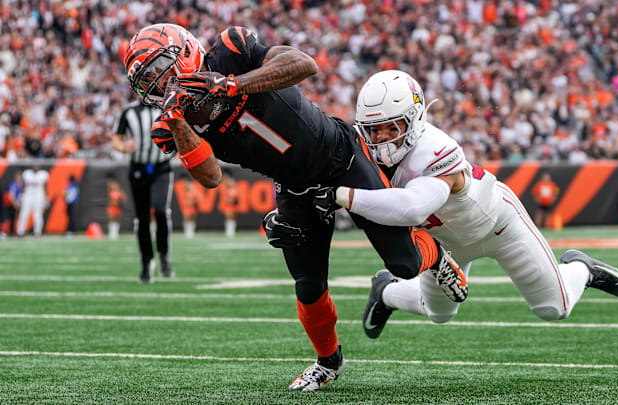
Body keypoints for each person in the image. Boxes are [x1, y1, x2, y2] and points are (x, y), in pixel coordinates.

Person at [123, 23, 467, 391]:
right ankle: (328, 361)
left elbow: (303, 64)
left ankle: (437, 259)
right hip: (294, 188)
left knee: (406, 263)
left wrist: (230, 84)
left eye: (160, 71)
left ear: (184, 52)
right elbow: (211, 178)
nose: (159, 87)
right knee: (307, 284)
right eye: (149, 83)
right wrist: (177, 121)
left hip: (340, 157)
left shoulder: (230, 50)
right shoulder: (169, 125)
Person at [313, 70, 618, 339]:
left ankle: (582, 269)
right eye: (374, 130)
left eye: (391, 128)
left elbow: (412, 208)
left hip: (498, 225)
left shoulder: (434, 149)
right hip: (445, 246)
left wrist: (343, 196)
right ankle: (385, 292)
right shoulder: (365, 152)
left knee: (555, 307)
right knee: (438, 313)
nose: (382, 139)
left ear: (414, 119)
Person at [112, 100, 175, 283]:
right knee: (143, 217)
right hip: (139, 168)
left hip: (161, 166)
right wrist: (124, 147)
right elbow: (116, 138)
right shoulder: (129, 111)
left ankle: (163, 257)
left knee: (162, 211)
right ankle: (147, 262)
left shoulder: (166, 106)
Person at [17, 165, 48, 237]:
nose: (36, 167)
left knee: (38, 215)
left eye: (37, 166)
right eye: (34, 166)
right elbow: (24, 185)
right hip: (28, 196)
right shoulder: (27, 174)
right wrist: (21, 195)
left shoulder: (43, 175)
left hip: (38, 197)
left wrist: (46, 198)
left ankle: (37, 232)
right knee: (23, 214)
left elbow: (45, 186)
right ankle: (20, 232)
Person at [1, 172, 23, 238]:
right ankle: (3, 232)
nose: (19, 178)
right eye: (18, 176)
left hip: (14, 204)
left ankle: (12, 232)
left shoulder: (21, 184)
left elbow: (20, 195)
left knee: (14, 219)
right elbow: (11, 196)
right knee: (6, 219)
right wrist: (15, 204)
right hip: (8, 204)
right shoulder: (13, 184)